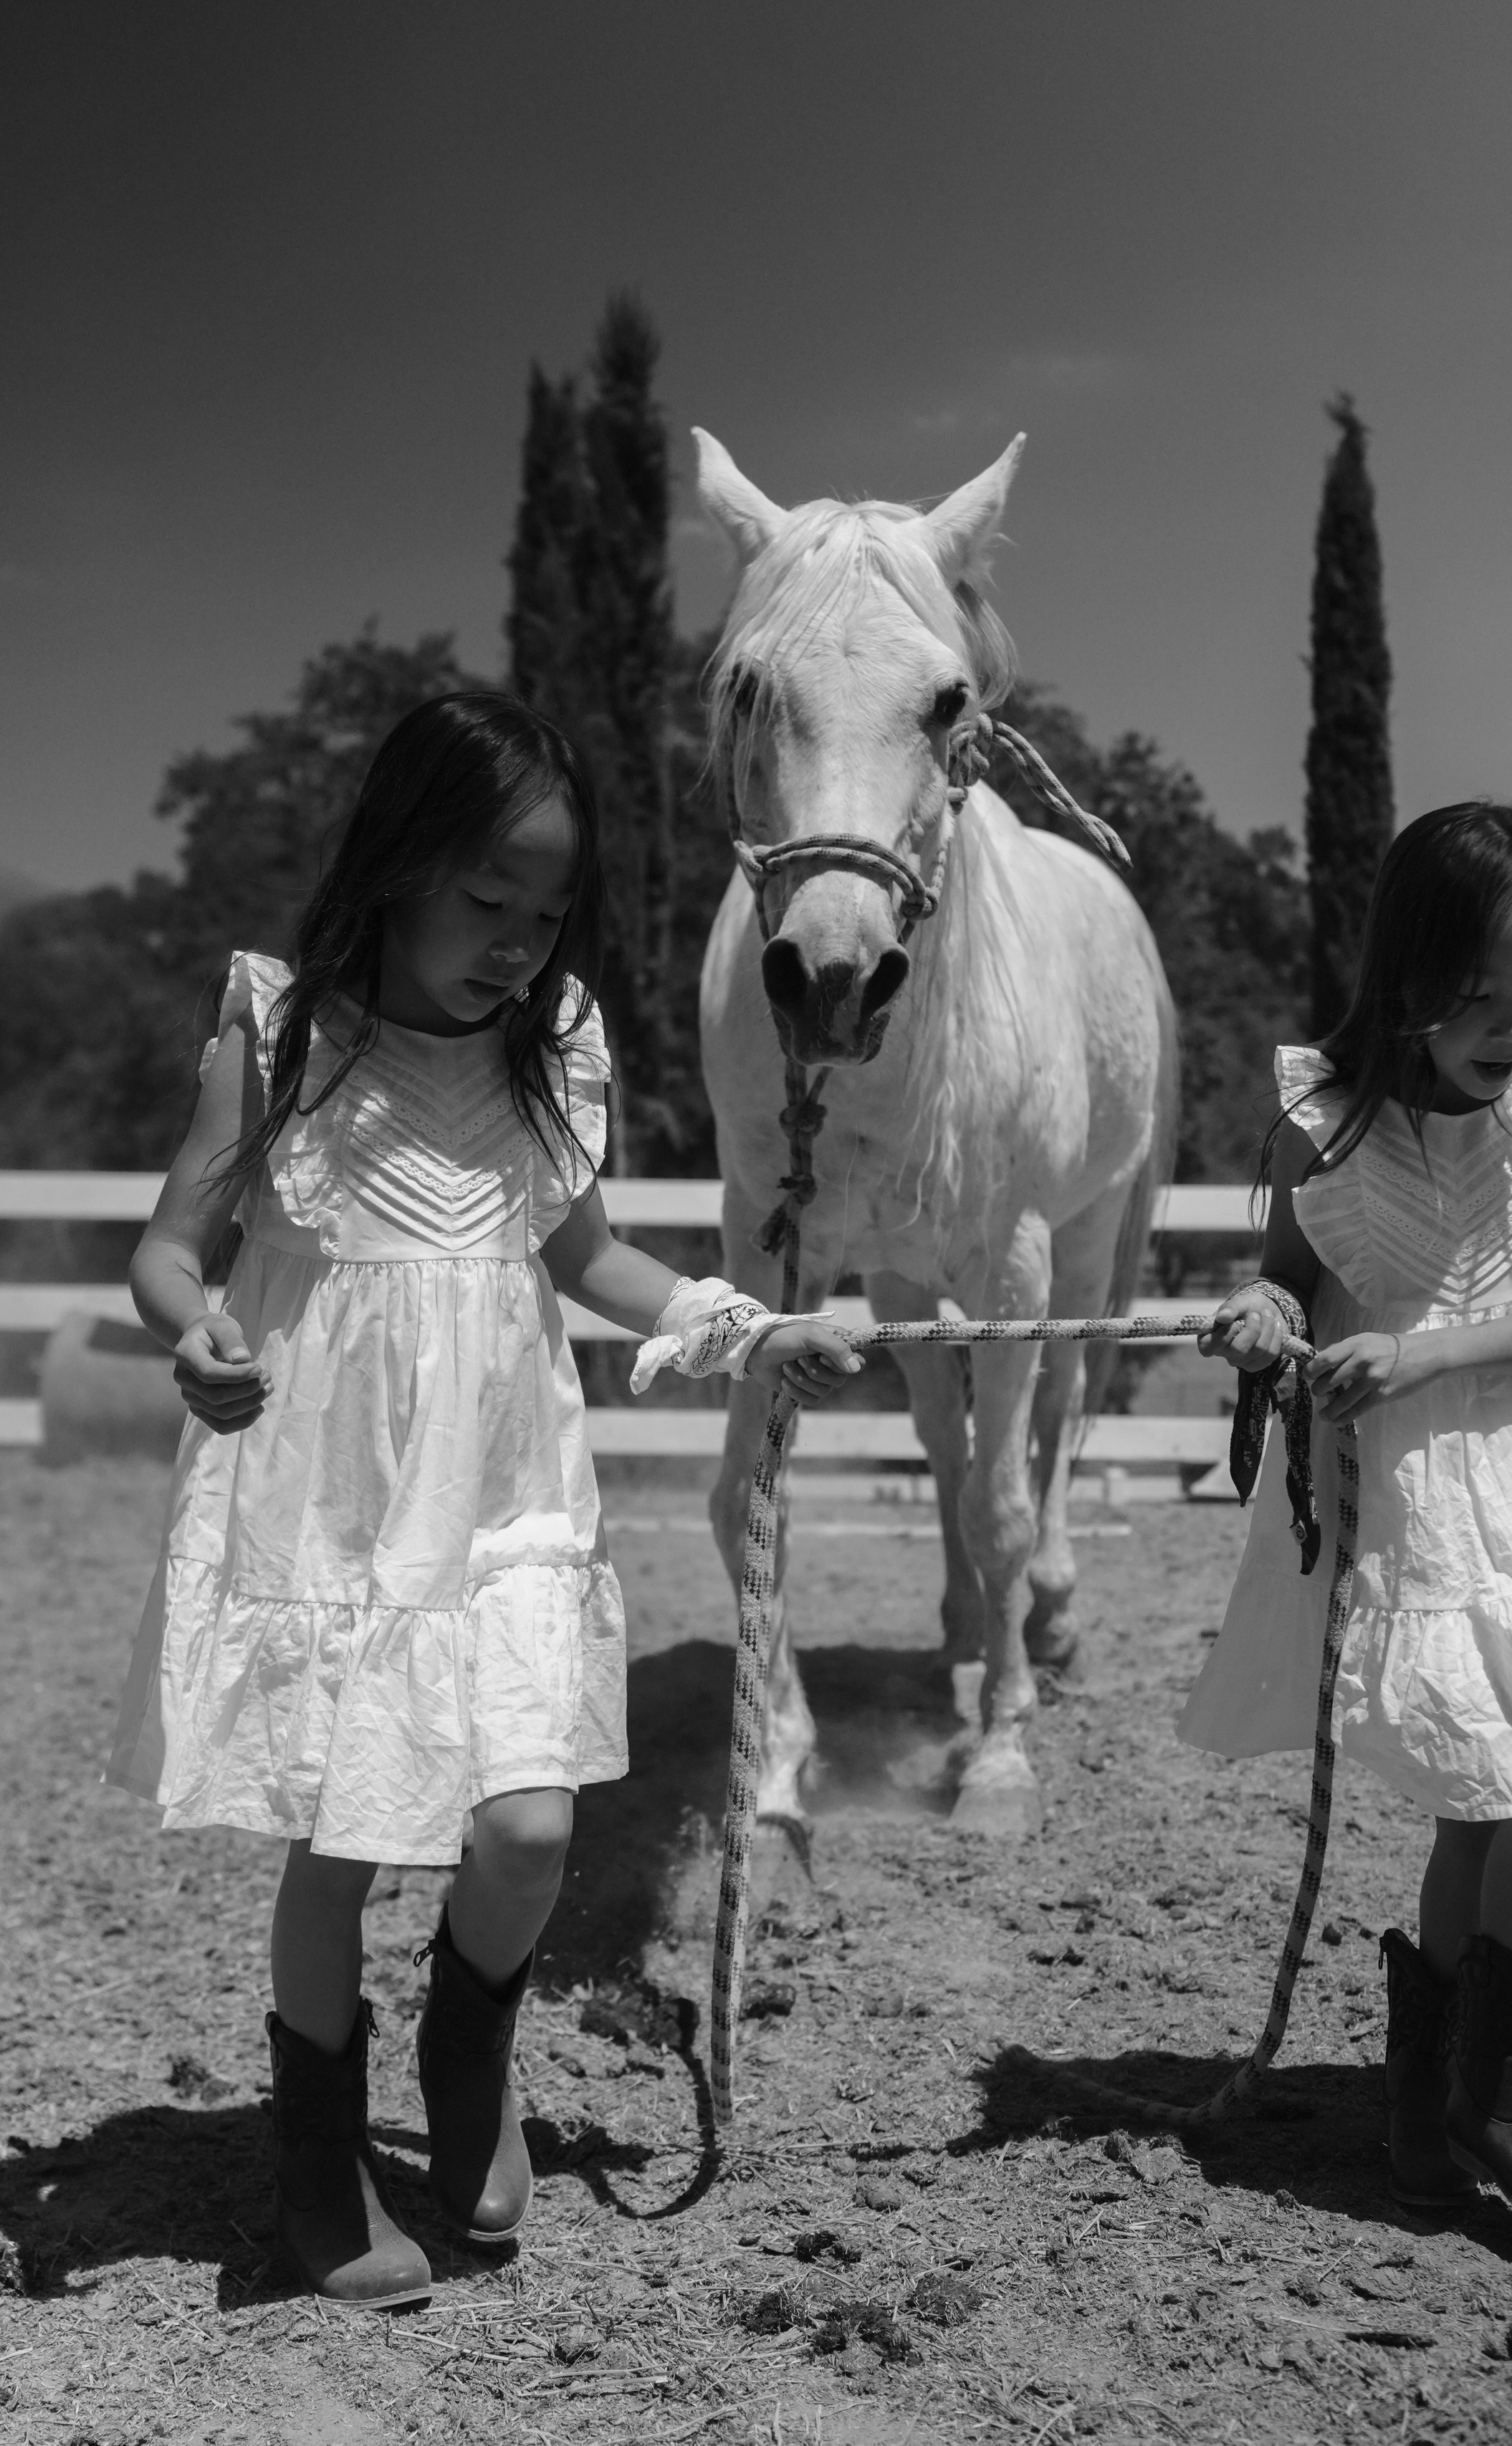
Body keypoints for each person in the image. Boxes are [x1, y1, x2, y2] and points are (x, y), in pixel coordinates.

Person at [108, 694, 859, 2308]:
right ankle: (319, 2152)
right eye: (485, 899)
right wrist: (198, 1329)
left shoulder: (553, 1040)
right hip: (335, 1509)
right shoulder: (281, 1032)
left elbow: (586, 1255)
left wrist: (743, 1328)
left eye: (546, 911)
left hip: (508, 1489)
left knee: (528, 1825)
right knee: (341, 1847)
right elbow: (169, 1250)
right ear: (398, 866)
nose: (518, 942)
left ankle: (469, 2055)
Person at [1181, 802, 1512, 2225]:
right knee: (1489, 1782)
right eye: (1480, 994)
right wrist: (1261, 1312)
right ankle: (1448, 2084)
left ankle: (1492, 2073)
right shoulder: (1327, 1128)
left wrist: (1426, 1351)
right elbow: (1287, 1278)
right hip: (1416, 1488)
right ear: (1407, 975)